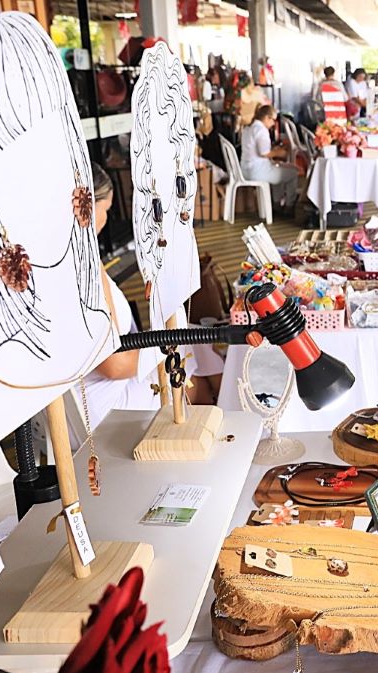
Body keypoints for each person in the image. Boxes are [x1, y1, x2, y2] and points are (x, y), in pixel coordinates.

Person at [76, 164, 223, 438]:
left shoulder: (68, 262)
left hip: (89, 396)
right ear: (85, 207)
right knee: (191, 350)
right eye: (105, 210)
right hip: (102, 406)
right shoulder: (82, 271)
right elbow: (115, 366)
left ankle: (219, 404)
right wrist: (167, 341)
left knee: (194, 339)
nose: (106, 219)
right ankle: (212, 417)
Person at [240, 105, 299, 209]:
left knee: (279, 169)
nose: (273, 124)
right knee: (293, 172)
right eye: (273, 120)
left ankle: (276, 203)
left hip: (245, 170)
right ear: (267, 117)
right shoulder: (261, 130)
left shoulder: (248, 128)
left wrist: (275, 151)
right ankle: (290, 205)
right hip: (257, 172)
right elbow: (264, 153)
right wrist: (280, 153)